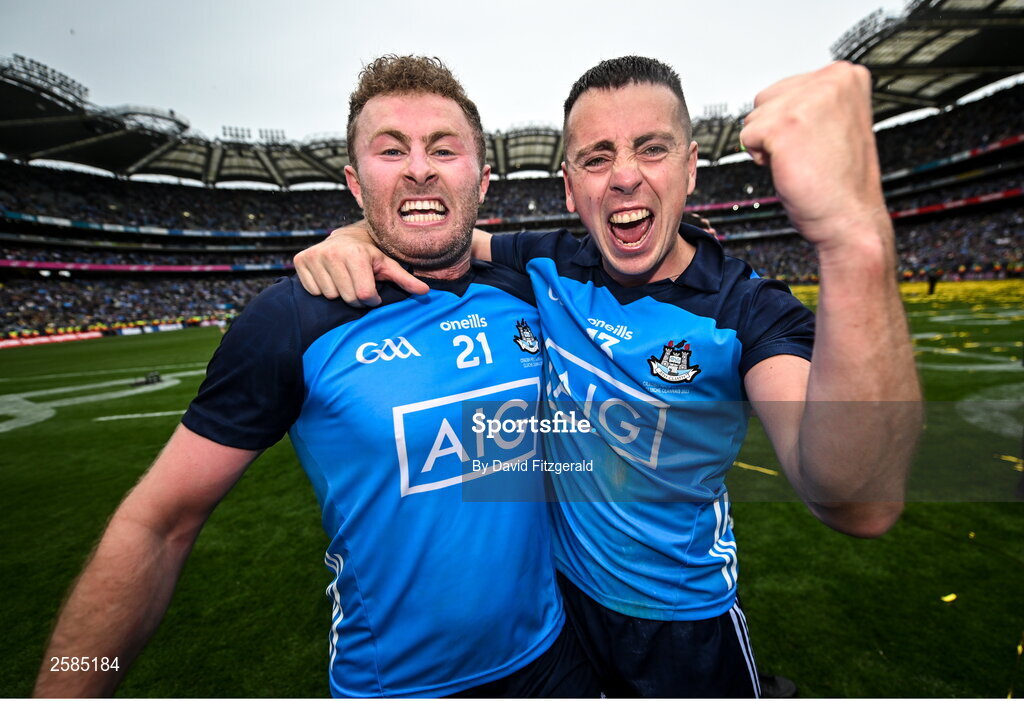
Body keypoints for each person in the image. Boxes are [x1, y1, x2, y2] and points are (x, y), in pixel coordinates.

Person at [294, 56, 923, 697]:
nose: (624, 176)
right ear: (570, 188)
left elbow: (859, 503)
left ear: (690, 168)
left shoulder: (747, 311)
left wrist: (852, 239)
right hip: (563, 616)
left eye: (651, 149)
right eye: (597, 158)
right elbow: (431, 232)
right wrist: (350, 236)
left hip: (684, 627)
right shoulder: (549, 263)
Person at [34, 55, 600, 698]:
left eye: (444, 149)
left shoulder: (536, 289)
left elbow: (662, 255)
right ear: (356, 185)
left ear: (483, 177)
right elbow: (158, 525)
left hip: (559, 663)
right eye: (392, 151)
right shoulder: (291, 320)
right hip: (397, 687)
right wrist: (70, 688)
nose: (420, 167)